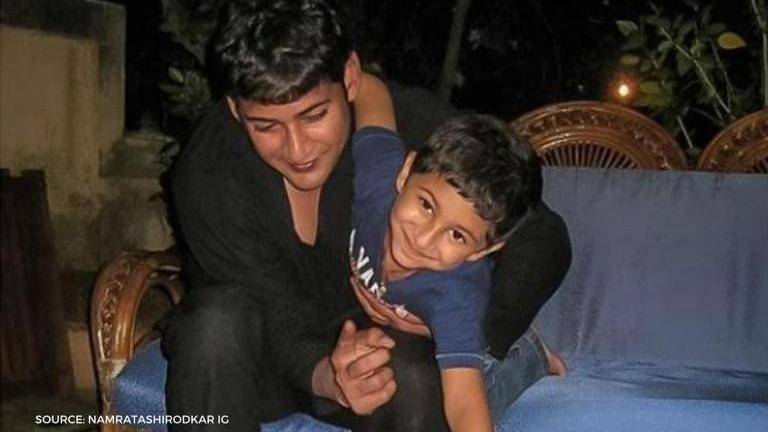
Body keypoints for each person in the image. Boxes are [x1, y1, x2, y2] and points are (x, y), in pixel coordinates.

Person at [163, 0, 571, 431]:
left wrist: (477, 329)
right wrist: (327, 376)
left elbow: (543, 238)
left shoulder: (410, 125)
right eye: (266, 126)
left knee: (417, 381)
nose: (297, 149)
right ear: (234, 109)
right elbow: (269, 305)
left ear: (350, 78)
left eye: (315, 115)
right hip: (262, 355)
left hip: (377, 351)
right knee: (212, 327)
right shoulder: (208, 172)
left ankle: (522, 361)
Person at [347, 74, 559, 430]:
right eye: (426, 205)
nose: (424, 238)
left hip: (457, 334)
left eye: (457, 235)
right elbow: (373, 94)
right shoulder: (377, 180)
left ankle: (529, 357)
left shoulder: (455, 293)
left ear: (484, 250)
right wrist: (350, 73)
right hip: (395, 329)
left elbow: (464, 404)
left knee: (450, 403)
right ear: (405, 173)